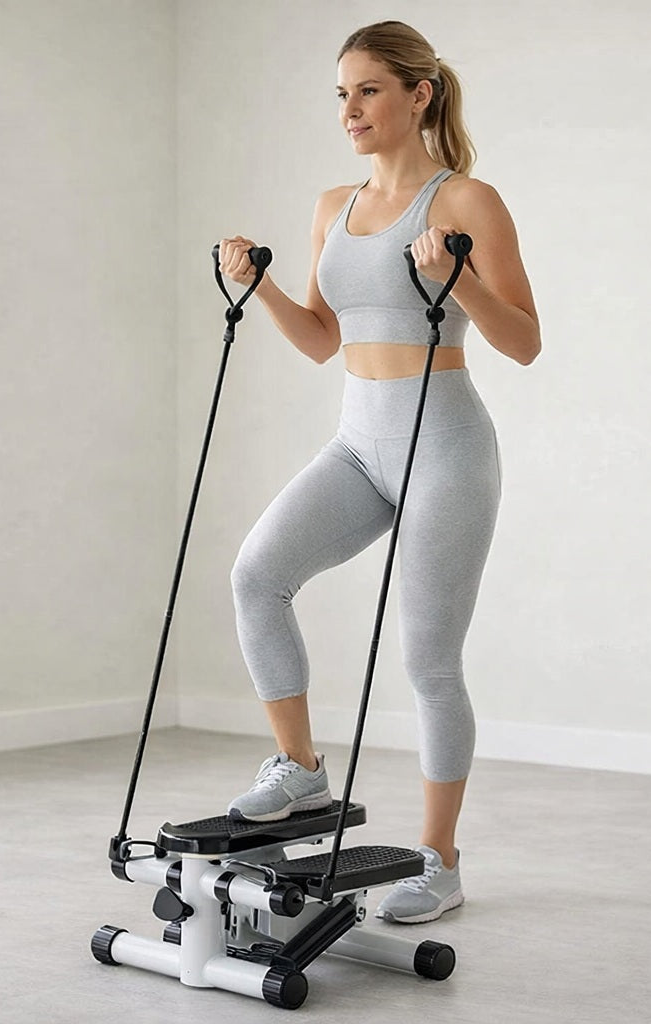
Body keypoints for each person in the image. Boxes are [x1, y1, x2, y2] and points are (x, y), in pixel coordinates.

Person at [217, 21, 540, 925]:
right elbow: (324, 340)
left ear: (418, 94)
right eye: (342, 94)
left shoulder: (467, 200)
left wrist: (459, 281)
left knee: (428, 659)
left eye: (367, 90)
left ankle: (440, 859)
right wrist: (260, 288)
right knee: (257, 576)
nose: (350, 110)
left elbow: (524, 342)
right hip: (358, 443)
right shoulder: (333, 205)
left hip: (445, 446)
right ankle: (302, 771)